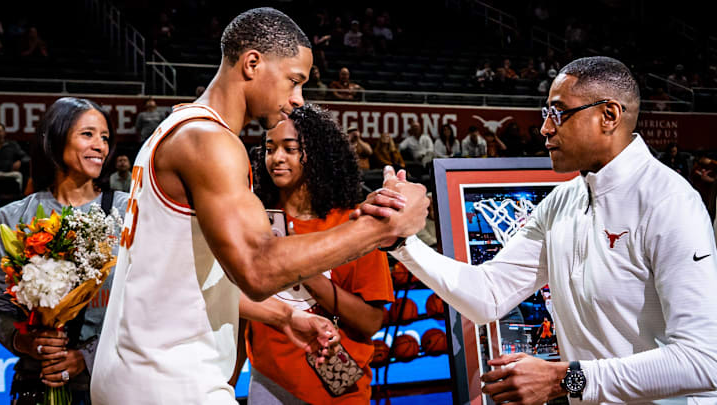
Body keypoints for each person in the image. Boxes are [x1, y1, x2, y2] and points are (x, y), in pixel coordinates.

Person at [91, 8, 427, 405]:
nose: (297, 99)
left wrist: (284, 316)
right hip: (169, 378)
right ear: (252, 63)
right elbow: (257, 268)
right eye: (294, 81)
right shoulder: (210, 141)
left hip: (136, 370)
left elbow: (189, 277)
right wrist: (383, 226)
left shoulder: (178, 126)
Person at [363, 56, 717, 404]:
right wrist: (401, 240)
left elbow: (705, 360)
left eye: (559, 112)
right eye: (546, 113)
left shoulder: (670, 204)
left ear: (608, 116)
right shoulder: (561, 201)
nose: (546, 127)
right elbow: (488, 295)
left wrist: (567, 378)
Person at [246, 104, 394, 404]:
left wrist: (305, 269)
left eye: (290, 149)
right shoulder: (254, 220)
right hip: (268, 381)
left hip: (338, 388)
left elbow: (370, 323)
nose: (276, 159)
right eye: (270, 149)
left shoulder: (353, 224)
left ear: (318, 155)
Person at [0, 97, 129, 405]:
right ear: (56, 138)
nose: (100, 145)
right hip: (33, 384)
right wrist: (25, 342)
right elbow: (0, 310)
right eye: (88, 134)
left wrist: (86, 356)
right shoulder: (13, 218)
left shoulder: (126, 211)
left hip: (108, 386)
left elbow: (144, 308)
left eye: (105, 137)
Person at [0, 122, 28, 190]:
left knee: (18, 175)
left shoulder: (12, 145)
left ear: (4, 133)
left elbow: (26, 158)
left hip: (8, 173)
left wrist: (20, 161)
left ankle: (19, 196)